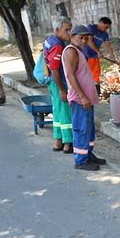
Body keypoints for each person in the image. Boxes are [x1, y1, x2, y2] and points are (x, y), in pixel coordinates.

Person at [62, 25, 106, 171]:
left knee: (89, 129)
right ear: (72, 36)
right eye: (81, 37)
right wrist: (82, 96)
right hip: (80, 99)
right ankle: (80, 161)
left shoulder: (78, 51)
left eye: (86, 38)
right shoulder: (71, 52)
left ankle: (88, 154)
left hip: (86, 98)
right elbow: (70, 75)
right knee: (81, 129)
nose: (84, 40)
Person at [43, 17, 73, 153]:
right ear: (57, 30)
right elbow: (55, 69)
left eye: (70, 29)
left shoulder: (49, 40)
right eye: (66, 30)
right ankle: (67, 142)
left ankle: (58, 140)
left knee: (57, 111)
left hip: (51, 82)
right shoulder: (58, 45)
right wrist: (62, 90)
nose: (69, 33)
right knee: (65, 111)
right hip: (58, 81)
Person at [82, 16, 117, 95]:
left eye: (107, 28)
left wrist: (113, 56)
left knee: (96, 72)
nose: (106, 29)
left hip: (94, 56)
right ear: (101, 23)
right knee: (86, 73)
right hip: (85, 54)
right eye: (105, 27)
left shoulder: (104, 34)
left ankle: (97, 92)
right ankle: (86, 90)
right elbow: (89, 41)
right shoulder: (91, 28)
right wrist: (98, 52)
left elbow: (108, 45)